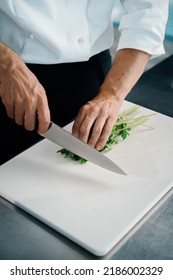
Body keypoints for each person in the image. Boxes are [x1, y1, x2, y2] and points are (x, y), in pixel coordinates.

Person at [0, 0, 169, 164]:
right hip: (7, 75)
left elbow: (148, 13)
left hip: (90, 79)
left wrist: (112, 95)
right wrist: (6, 63)